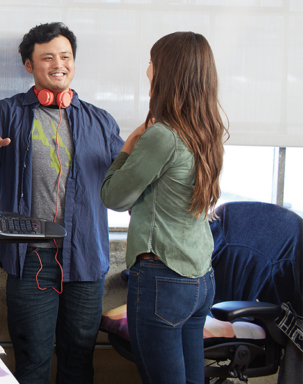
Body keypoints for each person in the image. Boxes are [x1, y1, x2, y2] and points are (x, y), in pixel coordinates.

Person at [0, 22, 124, 384]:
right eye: (47, 57)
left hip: (85, 258)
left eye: (65, 56)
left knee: (79, 358)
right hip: (31, 258)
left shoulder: (100, 121)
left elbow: (123, 184)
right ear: (29, 65)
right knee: (32, 357)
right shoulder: (8, 113)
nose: (58, 64)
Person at [100, 31, 226, 384]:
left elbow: (113, 197)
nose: (147, 72)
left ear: (168, 72)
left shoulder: (161, 135)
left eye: (152, 63)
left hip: (163, 281)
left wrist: (128, 145)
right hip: (201, 280)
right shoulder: (206, 130)